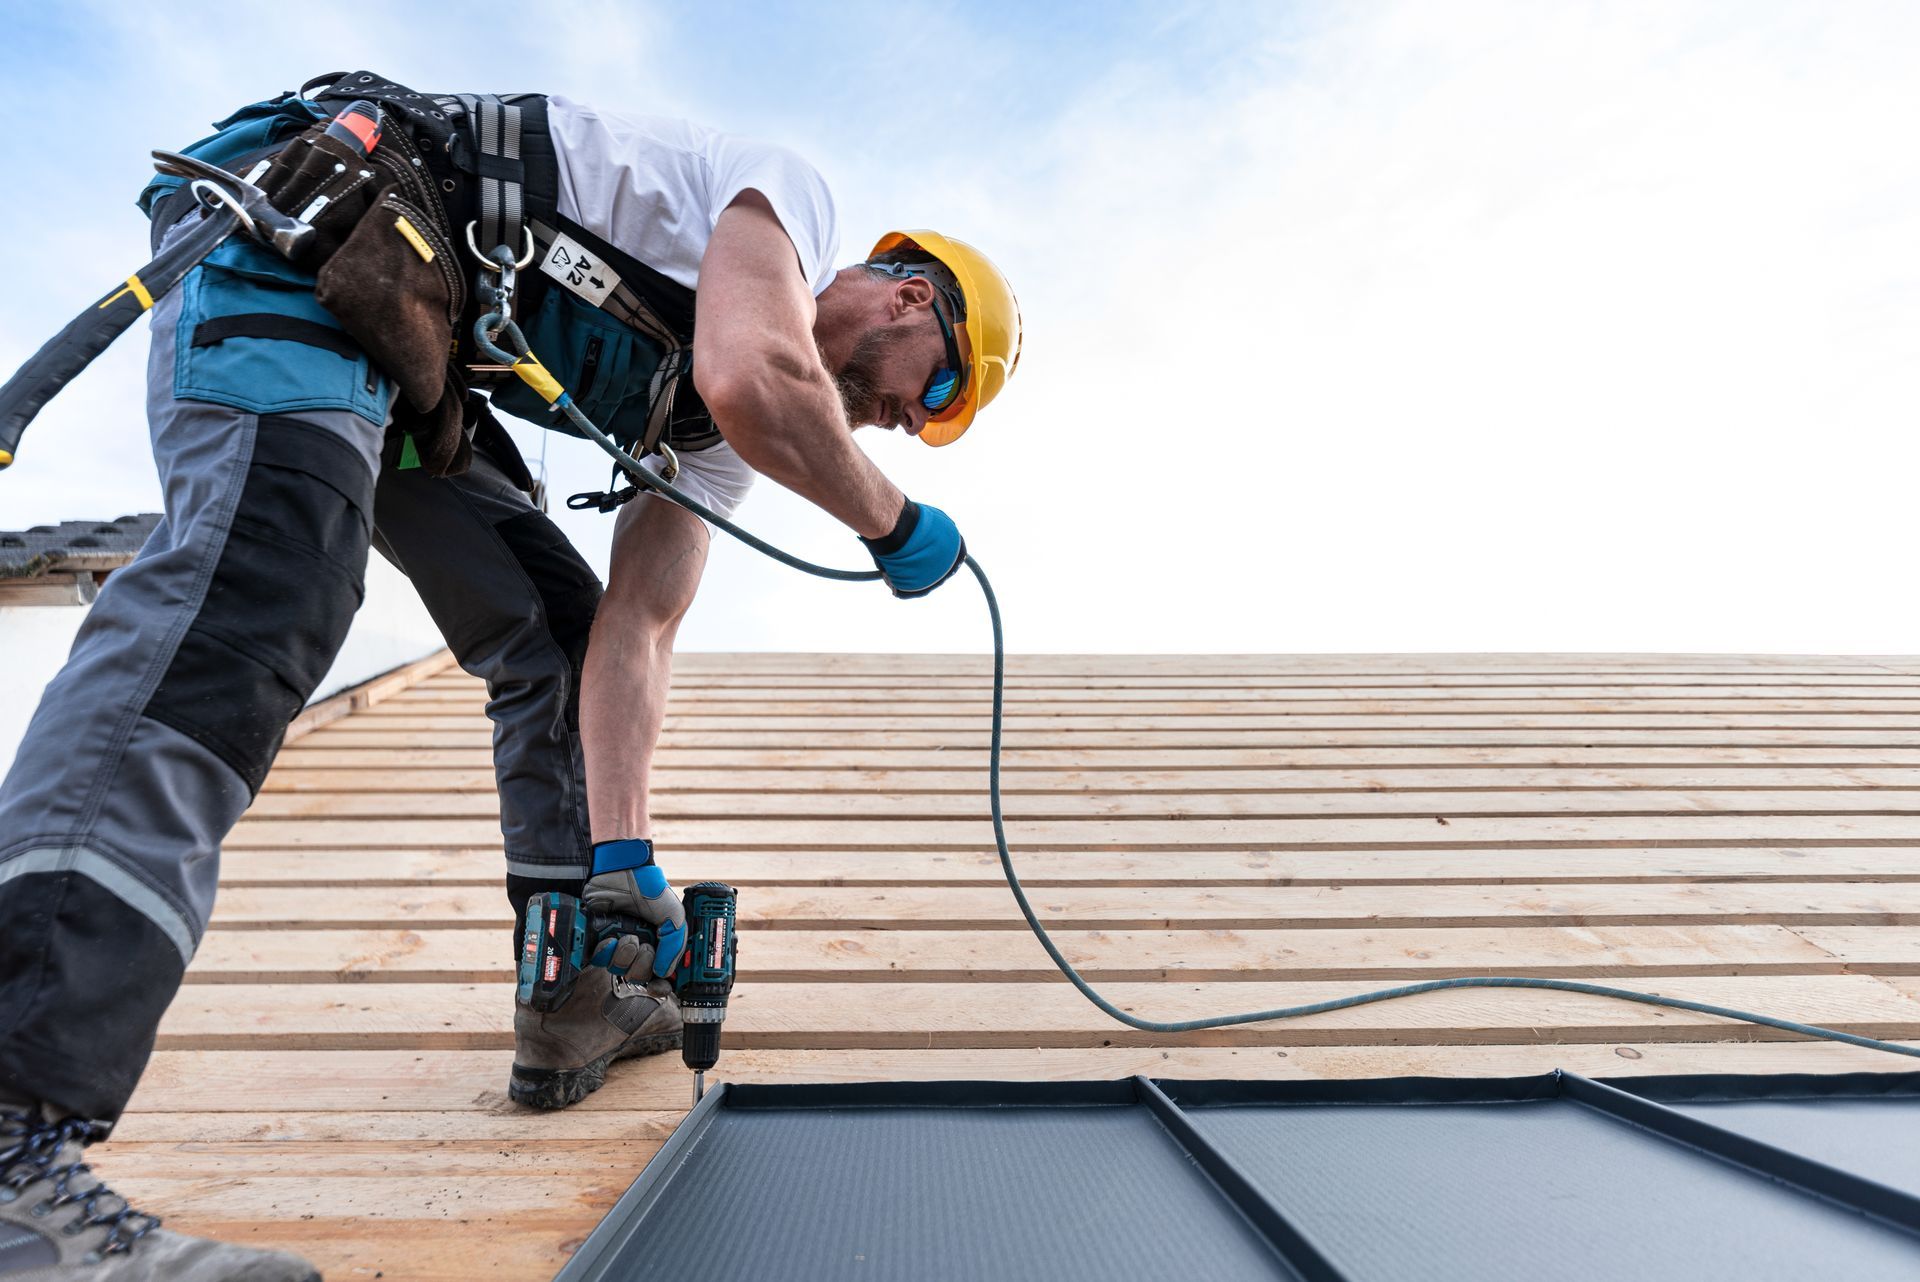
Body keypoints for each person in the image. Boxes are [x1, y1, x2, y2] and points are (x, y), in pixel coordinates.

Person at [0, 73, 1019, 1280]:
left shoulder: (701, 445)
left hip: (400, 331)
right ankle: (16, 1138)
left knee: (552, 627)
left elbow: (632, 633)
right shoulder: (786, 201)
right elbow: (760, 380)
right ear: (913, 298)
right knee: (258, 585)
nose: (904, 421)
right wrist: (891, 520)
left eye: (924, 425)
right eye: (933, 390)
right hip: (313, 240)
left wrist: (623, 859)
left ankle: (577, 974)